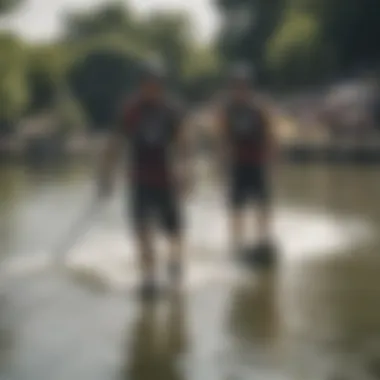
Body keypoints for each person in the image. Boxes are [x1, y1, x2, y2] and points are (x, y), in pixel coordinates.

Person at [98, 63, 190, 298]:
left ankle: (175, 264)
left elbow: (182, 143)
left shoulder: (170, 111)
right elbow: (114, 144)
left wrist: (186, 172)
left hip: (167, 178)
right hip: (139, 179)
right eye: (147, 84)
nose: (152, 88)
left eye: (156, 84)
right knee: (142, 230)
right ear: (141, 86)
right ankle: (149, 279)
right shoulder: (130, 111)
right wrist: (106, 176)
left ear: (161, 86)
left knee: (174, 231)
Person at [215, 64, 277, 265]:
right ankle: (237, 244)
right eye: (236, 86)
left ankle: (263, 240)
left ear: (249, 87)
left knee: (262, 204)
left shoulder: (259, 108)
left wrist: (272, 159)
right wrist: (222, 165)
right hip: (238, 164)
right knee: (236, 207)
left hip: (257, 162)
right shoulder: (228, 110)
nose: (240, 90)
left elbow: (270, 135)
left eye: (243, 86)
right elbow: (223, 138)